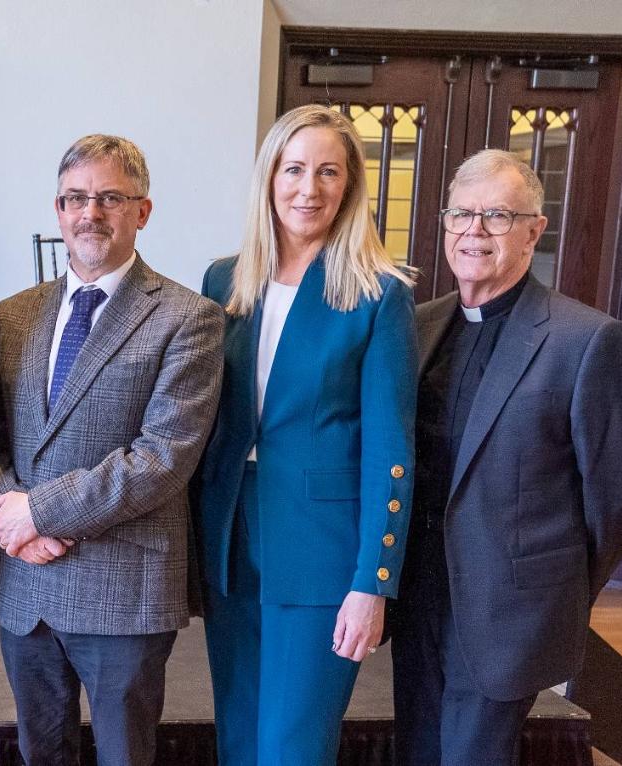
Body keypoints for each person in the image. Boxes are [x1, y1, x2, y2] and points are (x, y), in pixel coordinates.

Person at [390, 149, 622, 764]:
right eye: (461, 213)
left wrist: (554, 586)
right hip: (418, 590)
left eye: (497, 216)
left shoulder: (588, 341)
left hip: (508, 602)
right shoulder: (418, 325)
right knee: (417, 748)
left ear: (534, 230)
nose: (473, 231)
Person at [0, 134, 224, 766]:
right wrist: (15, 521)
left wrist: (39, 513)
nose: (91, 213)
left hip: (125, 588)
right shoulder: (14, 313)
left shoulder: (187, 318)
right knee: (41, 753)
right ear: (58, 210)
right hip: (25, 585)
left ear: (142, 211)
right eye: (76, 198)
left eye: (111, 197)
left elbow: (162, 457)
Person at [195, 103, 417, 765]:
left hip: (323, 550)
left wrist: (372, 581)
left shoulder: (379, 293)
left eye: (328, 172)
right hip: (232, 537)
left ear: (349, 187)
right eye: (294, 169)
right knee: (237, 734)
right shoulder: (224, 280)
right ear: (269, 177)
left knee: (294, 746)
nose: (308, 188)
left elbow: (390, 448)